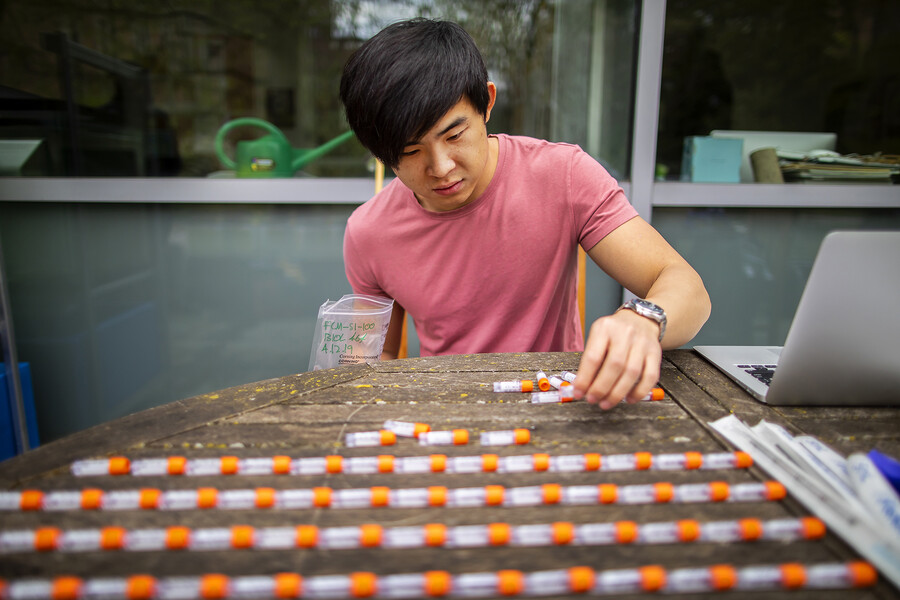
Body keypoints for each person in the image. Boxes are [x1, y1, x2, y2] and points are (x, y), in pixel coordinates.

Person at [339, 18, 710, 410]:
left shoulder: (563, 175)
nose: (442, 166)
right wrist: (344, 374)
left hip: (560, 403)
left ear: (487, 103)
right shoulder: (369, 232)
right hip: (447, 411)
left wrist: (644, 320)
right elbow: (373, 359)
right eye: (411, 152)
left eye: (454, 135)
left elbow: (686, 286)